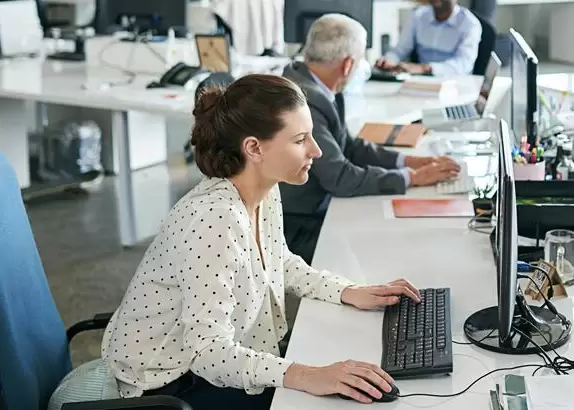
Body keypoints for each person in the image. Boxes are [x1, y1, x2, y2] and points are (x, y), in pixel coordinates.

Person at [101, 74, 422, 410]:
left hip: (217, 363)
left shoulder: (263, 191)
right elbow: (207, 351)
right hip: (168, 387)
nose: (316, 150)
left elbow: (278, 260)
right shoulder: (213, 220)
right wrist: (307, 375)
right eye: (300, 140)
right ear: (254, 148)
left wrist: (348, 291)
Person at [282, 14, 460, 264]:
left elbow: (349, 147)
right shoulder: (306, 101)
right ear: (347, 65)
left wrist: (407, 161)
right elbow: (341, 178)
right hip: (301, 225)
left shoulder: (317, 85)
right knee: (388, 246)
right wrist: (413, 178)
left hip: (319, 209)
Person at [375, 0, 482, 76]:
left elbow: (463, 64)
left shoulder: (470, 24)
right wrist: (388, 60)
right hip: (421, 82)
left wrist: (425, 68)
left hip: (454, 84)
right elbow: (400, 50)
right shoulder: (418, 16)